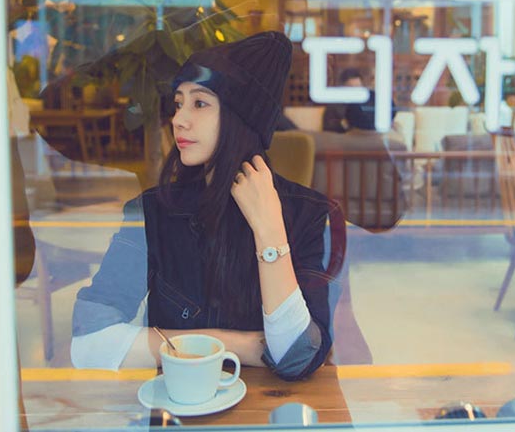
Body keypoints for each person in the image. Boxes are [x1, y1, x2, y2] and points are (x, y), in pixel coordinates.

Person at [70, 31, 344, 381]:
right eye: (179, 102)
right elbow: (88, 342)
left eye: (200, 104)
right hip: (180, 410)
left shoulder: (311, 216)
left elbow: (296, 358)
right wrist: (237, 346)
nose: (179, 119)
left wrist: (269, 229)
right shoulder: (154, 212)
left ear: (240, 119)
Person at [322, 68, 365, 133]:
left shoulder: (366, 104)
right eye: (351, 88)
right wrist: (345, 124)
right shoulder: (334, 105)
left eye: (358, 87)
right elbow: (328, 129)